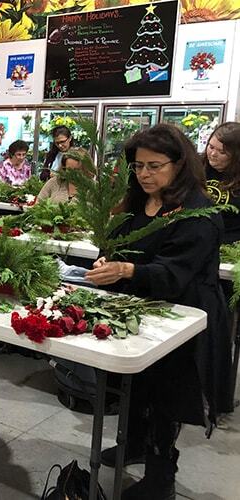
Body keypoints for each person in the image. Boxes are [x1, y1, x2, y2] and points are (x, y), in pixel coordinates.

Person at [84, 124, 231, 499]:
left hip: (184, 314)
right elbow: (123, 243)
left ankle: (161, 474)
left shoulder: (199, 213)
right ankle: (132, 444)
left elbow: (175, 272)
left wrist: (128, 270)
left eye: (154, 166)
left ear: (179, 164)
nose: (144, 174)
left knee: (166, 398)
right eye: (138, 166)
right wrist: (112, 260)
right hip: (142, 306)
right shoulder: (137, 200)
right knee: (136, 386)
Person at [203, 122, 240, 243]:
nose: (213, 154)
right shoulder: (196, 167)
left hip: (230, 246)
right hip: (197, 239)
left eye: (222, 152)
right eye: (211, 147)